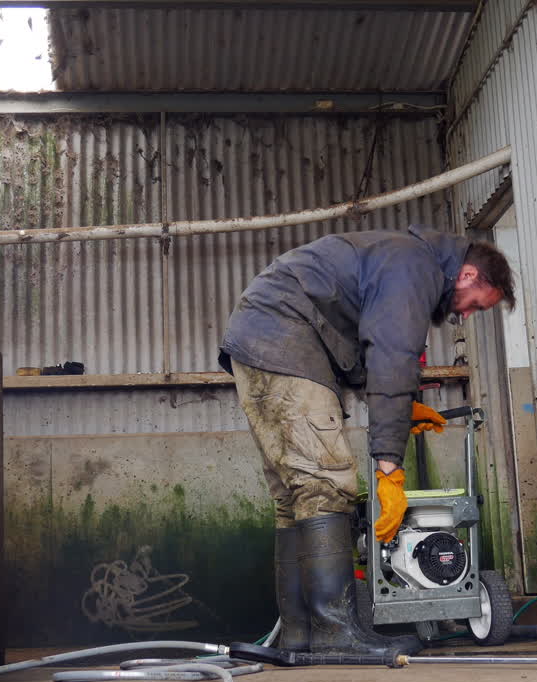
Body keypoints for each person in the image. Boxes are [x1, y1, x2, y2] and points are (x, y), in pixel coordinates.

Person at [219, 224, 515, 657]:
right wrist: (389, 469)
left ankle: (299, 635)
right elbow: (392, 360)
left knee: (296, 496)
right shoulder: (416, 268)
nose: (464, 316)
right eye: (473, 306)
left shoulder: (403, 257)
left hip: (265, 337)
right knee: (326, 483)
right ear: (469, 275)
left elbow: (363, 353)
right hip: (283, 337)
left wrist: (402, 410)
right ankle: (335, 633)